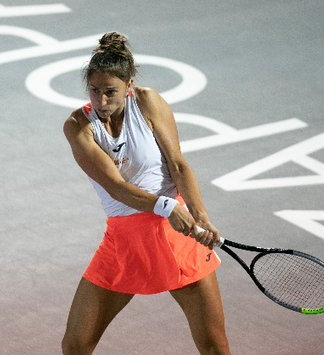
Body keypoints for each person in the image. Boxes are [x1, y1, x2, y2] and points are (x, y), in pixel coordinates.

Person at [61, 32, 231, 355]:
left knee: (214, 345)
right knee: (75, 344)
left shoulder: (149, 103)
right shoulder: (77, 127)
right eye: (94, 92)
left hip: (176, 236)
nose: (101, 102)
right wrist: (165, 206)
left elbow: (178, 166)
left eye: (110, 92)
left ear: (129, 85)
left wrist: (201, 215)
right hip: (125, 243)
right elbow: (114, 186)